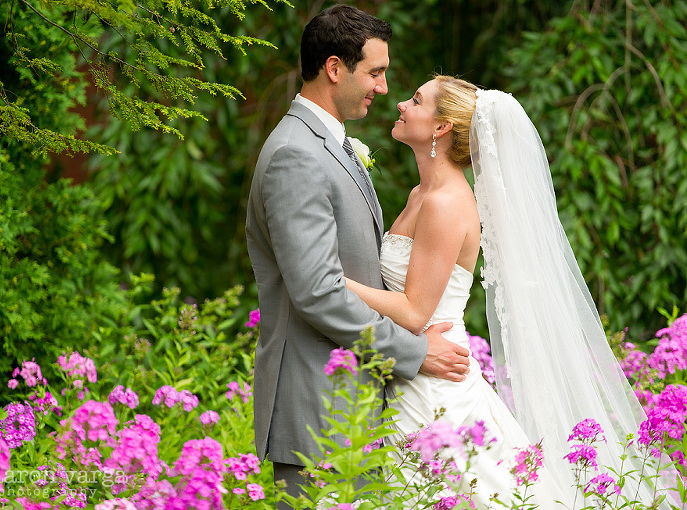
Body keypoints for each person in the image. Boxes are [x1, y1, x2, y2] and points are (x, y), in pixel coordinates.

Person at [344, 75, 671, 507]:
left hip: (436, 383)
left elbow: (413, 311)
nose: (402, 104)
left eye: (417, 100)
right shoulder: (421, 193)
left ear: (441, 127)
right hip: (419, 366)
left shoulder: (445, 204)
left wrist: (334, 283)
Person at [245, 6, 471, 509]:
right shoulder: (295, 155)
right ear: (333, 68)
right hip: (318, 409)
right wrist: (415, 353)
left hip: (354, 402)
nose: (385, 88)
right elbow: (319, 293)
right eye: (375, 72)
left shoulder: (329, 145)